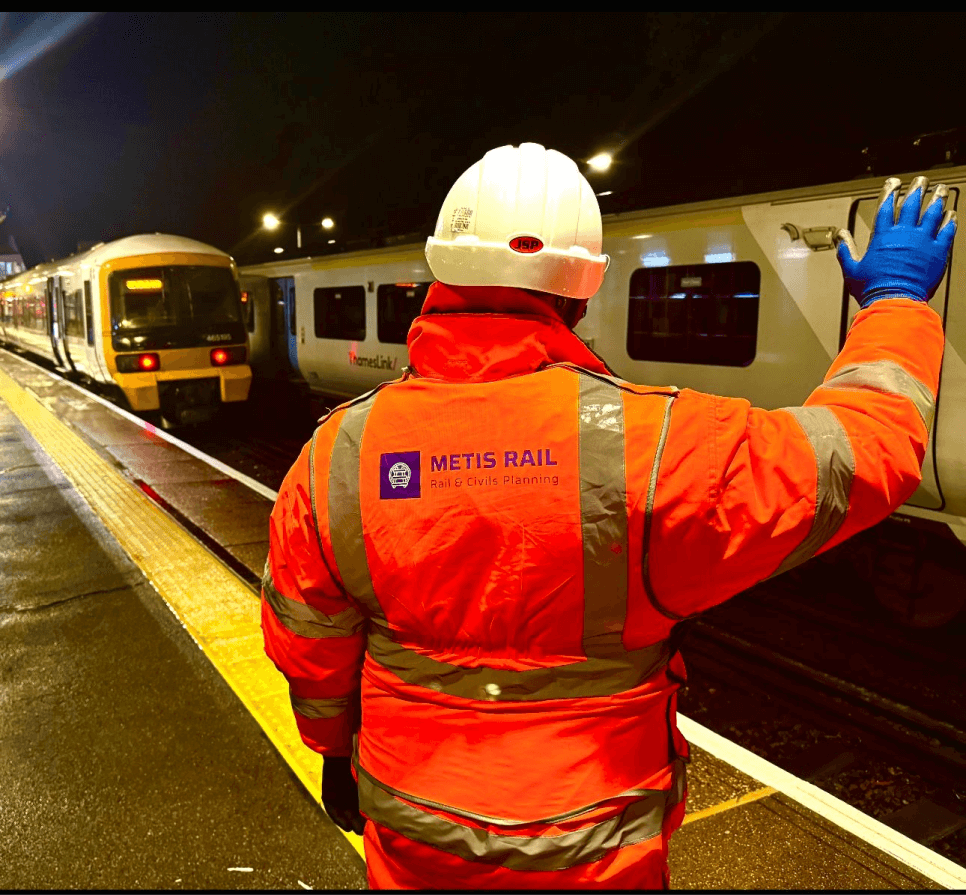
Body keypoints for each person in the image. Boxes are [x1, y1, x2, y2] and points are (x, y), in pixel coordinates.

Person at [260, 143, 954, 889]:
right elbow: (863, 453)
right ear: (583, 295)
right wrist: (896, 305)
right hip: (600, 857)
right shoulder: (656, 448)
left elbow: (309, 639)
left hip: (414, 834)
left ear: (440, 276)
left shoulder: (338, 453)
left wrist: (333, 748)